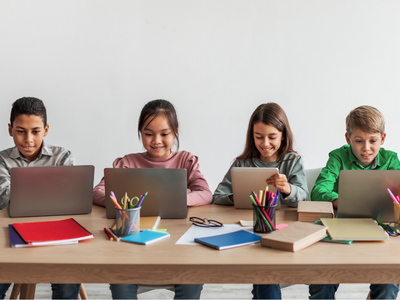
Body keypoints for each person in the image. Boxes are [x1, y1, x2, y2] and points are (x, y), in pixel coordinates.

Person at [93, 99, 212, 299]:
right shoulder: (128, 162)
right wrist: (125, 204)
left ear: (175, 132)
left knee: (193, 276)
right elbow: (98, 191)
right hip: (132, 245)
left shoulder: (186, 160)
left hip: (177, 245)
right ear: (141, 133)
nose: (156, 140)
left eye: (164, 134)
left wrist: (175, 199)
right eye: (148, 134)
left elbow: (205, 193)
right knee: (120, 280)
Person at [212, 102, 308, 299]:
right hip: (251, 229)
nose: (265, 143)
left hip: (285, 230)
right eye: (259, 137)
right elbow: (217, 196)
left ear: (283, 135)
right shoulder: (242, 163)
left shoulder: (292, 161)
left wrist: (288, 189)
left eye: (272, 137)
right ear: (251, 136)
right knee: (265, 270)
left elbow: (305, 196)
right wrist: (237, 195)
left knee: (268, 271)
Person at [309, 105, 400, 299]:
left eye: (372, 141)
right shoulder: (338, 157)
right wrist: (340, 201)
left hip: (381, 230)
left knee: (388, 283)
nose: (366, 148)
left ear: (382, 139)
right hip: (342, 228)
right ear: (348, 138)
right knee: (321, 281)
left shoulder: (391, 160)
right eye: (358, 141)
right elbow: (319, 191)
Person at [0, 97, 81, 299]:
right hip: (13, 233)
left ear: (45, 130)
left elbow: (71, 198)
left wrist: (24, 193)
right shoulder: (2, 160)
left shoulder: (61, 156)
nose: (28, 139)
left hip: (57, 234)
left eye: (35, 131)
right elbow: (5, 199)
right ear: (10, 130)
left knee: (66, 282)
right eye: (21, 131)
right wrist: (52, 192)